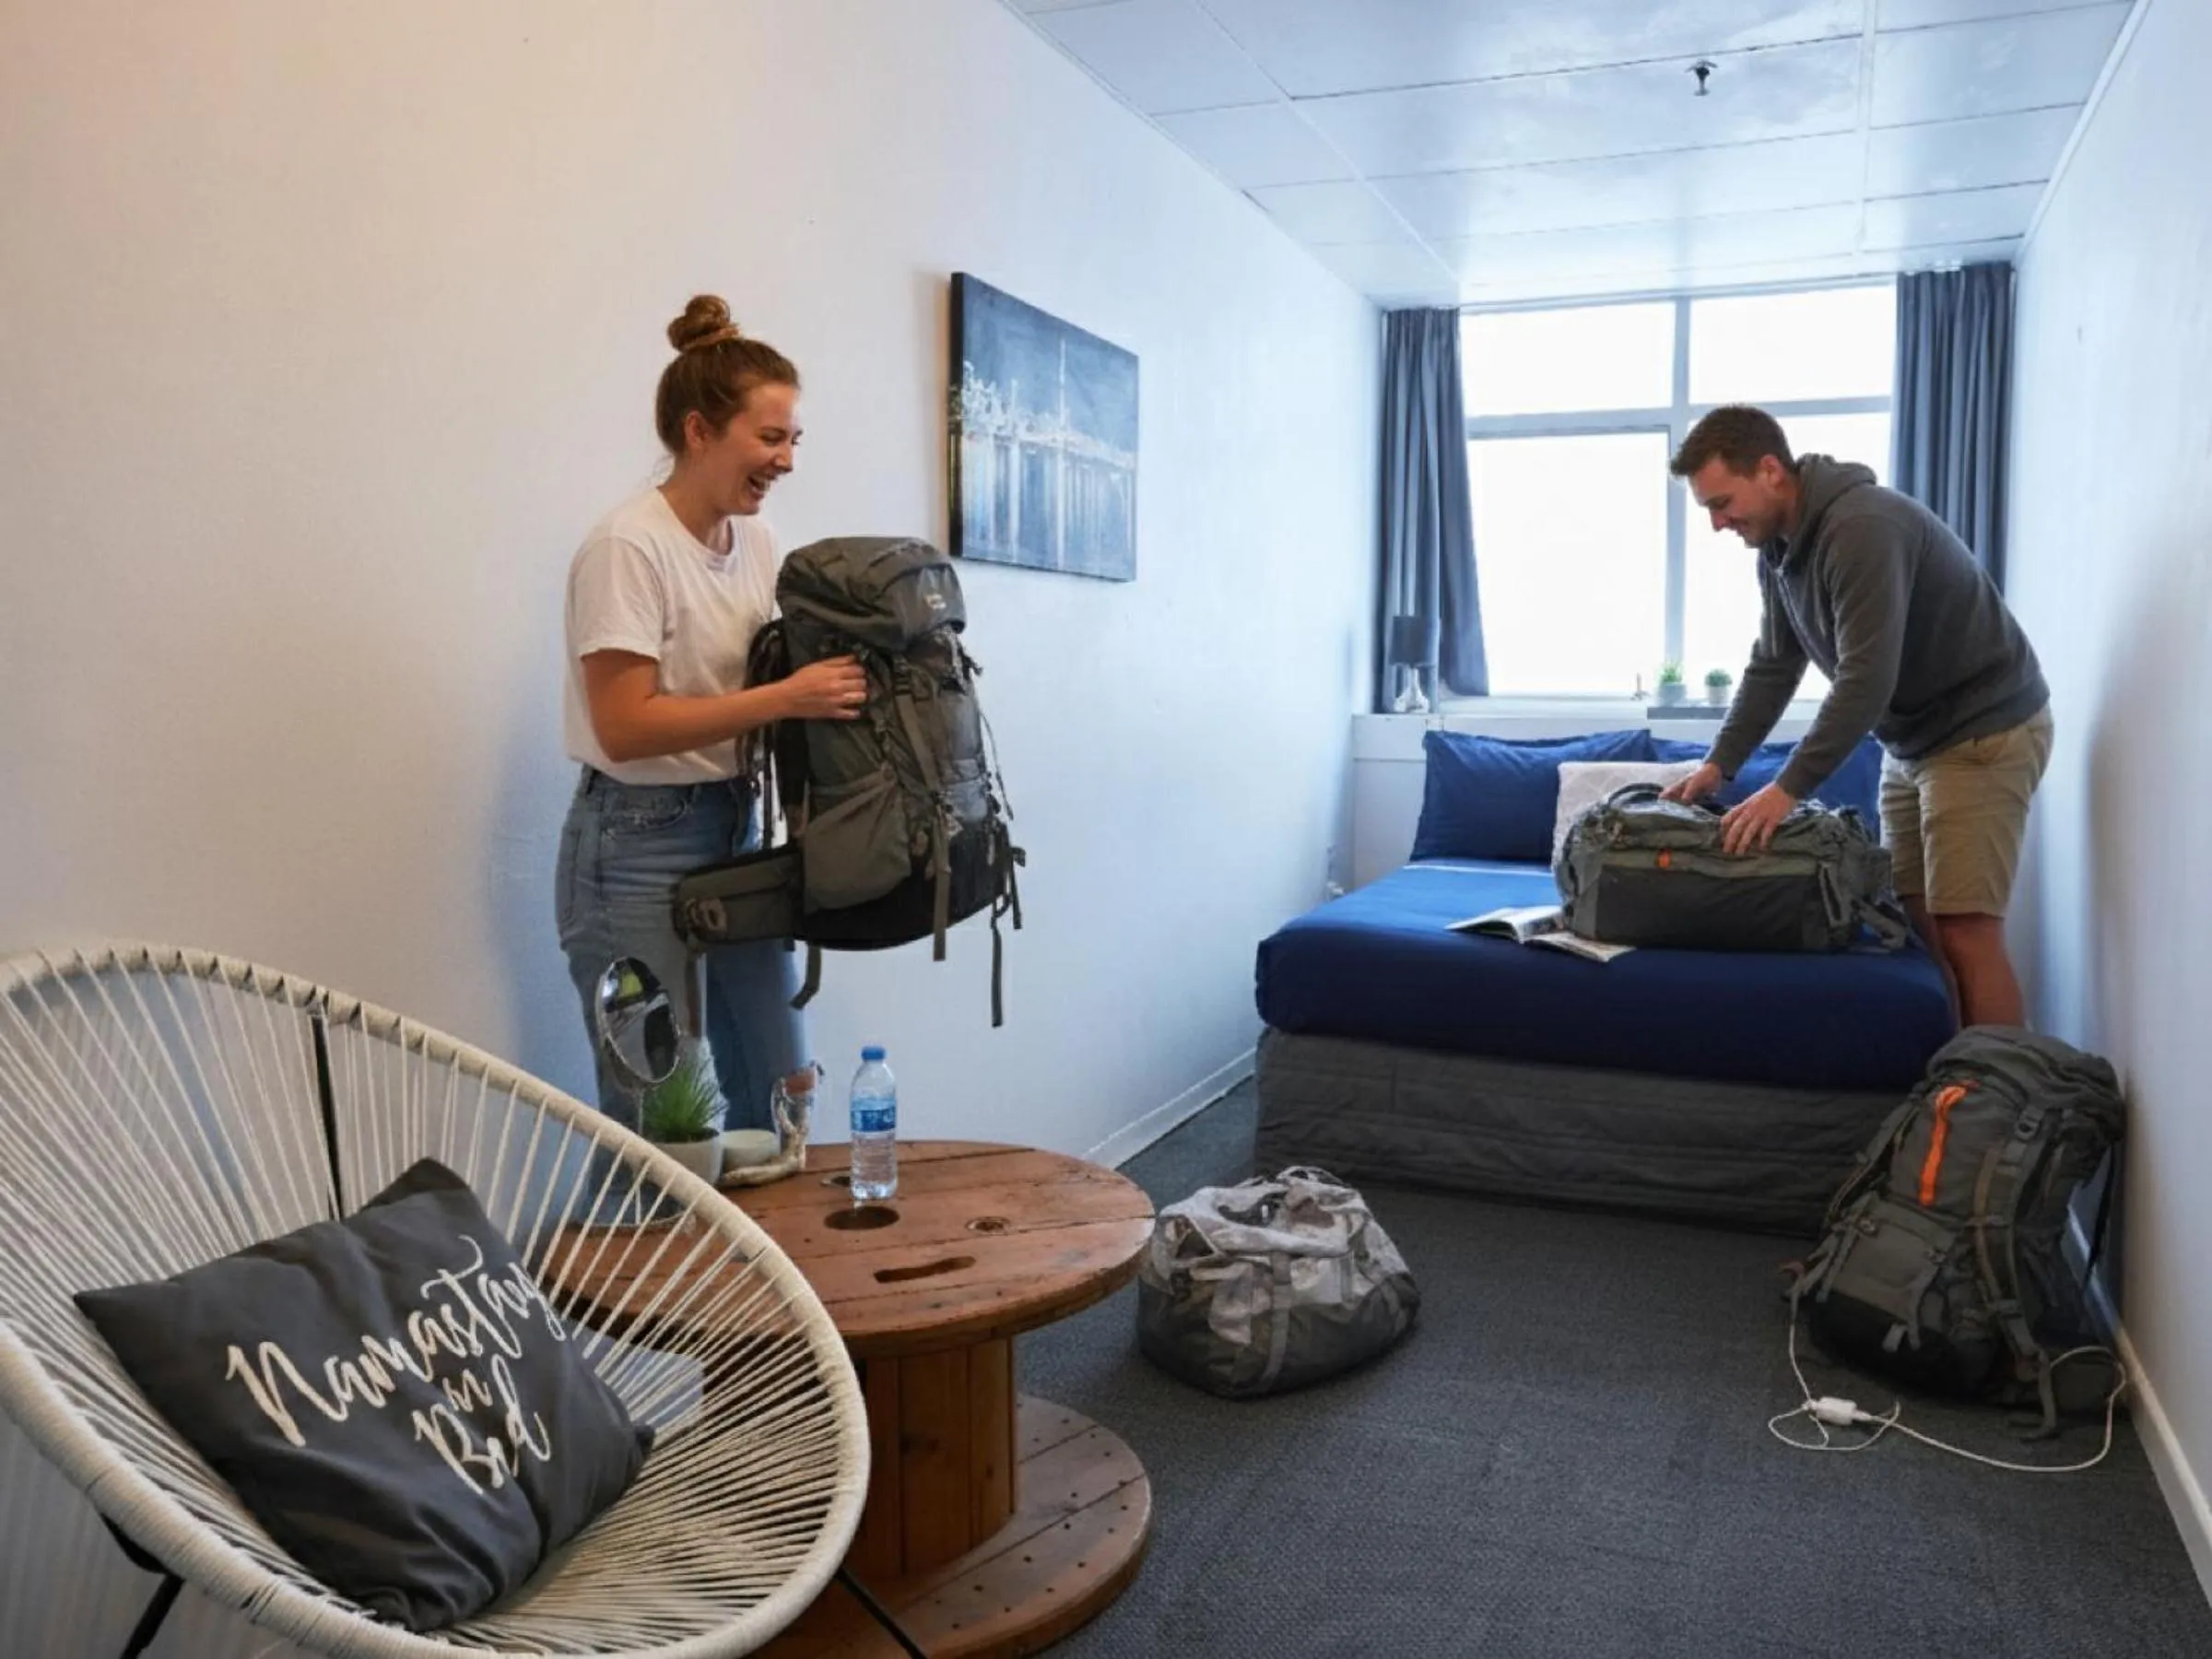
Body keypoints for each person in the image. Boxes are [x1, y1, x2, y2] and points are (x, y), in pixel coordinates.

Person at [555, 295, 866, 1136]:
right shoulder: (628, 547)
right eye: (771, 438)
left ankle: (773, 1271)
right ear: (699, 432)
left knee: (781, 1086)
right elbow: (625, 725)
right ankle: (646, 1268)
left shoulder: (756, 542)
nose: (788, 461)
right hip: (632, 843)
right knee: (663, 1117)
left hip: (733, 824)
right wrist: (789, 698)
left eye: (794, 439)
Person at [1660, 405, 2052, 1029]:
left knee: (1966, 932)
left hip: (1982, 733)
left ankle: (1994, 1105)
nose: (1716, 524)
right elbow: (1773, 666)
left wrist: (1785, 791)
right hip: (1912, 741)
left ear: (1769, 470)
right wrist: (1720, 763)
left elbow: (1866, 680)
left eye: (1723, 502)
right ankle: (1952, 1081)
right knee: (1920, 926)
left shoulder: (1862, 527)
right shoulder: (1780, 552)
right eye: (1709, 508)